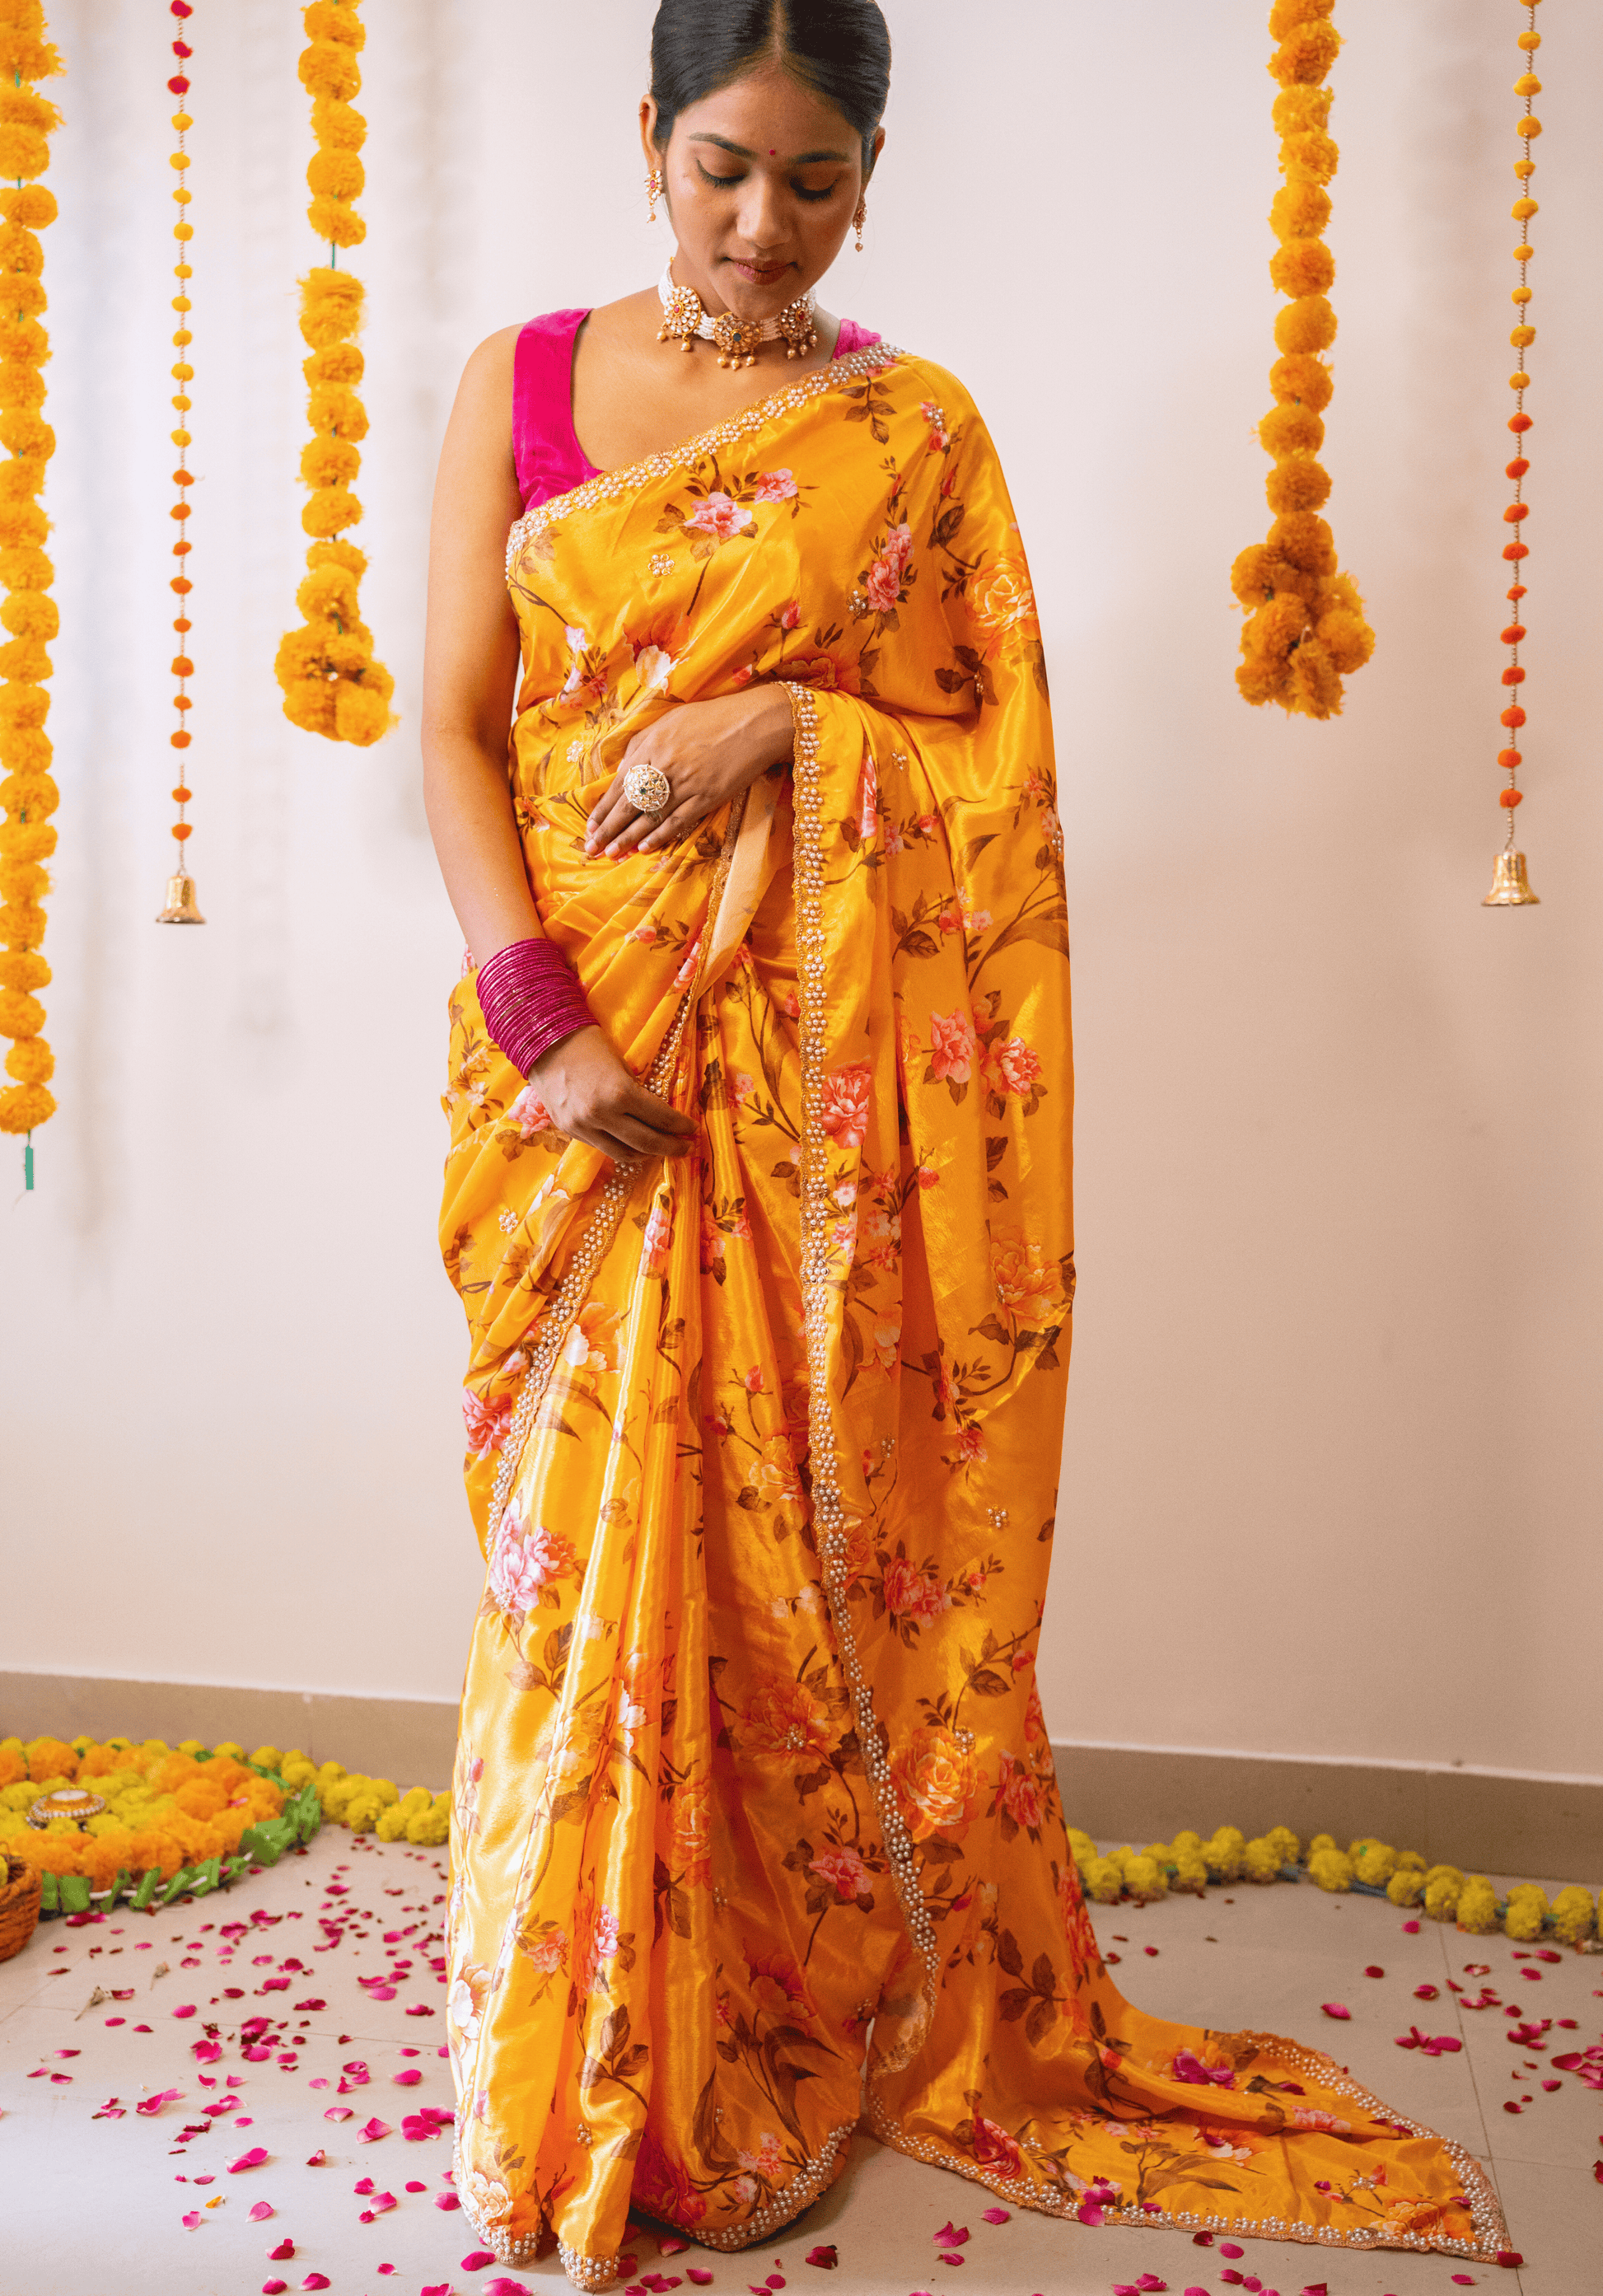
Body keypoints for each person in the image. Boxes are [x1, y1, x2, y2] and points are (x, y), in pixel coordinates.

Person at [421, 3, 1507, 2286]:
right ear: (647, 135)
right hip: (578, 1065)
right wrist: (541, 1024)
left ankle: (810, 1985)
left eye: (813, 181)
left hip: (820, 1101)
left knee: (804, 1544)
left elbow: (987, 787)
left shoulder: (913, 434)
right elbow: (446, 726)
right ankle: (603, 2009)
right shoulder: (516, 381)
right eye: (721, 165)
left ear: (872, 179)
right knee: (579, 1557)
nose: (758, 222)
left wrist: (791, 723)